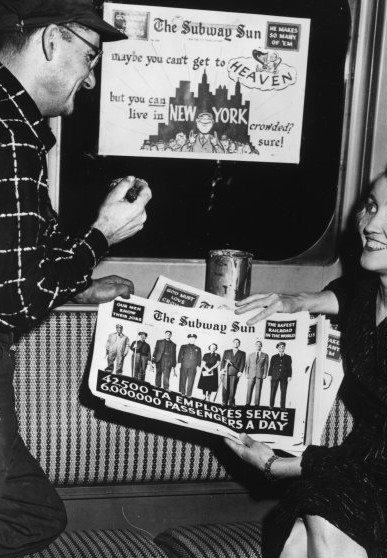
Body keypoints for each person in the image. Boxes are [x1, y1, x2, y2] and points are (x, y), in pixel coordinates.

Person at [226, 155, 387, 558]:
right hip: (362, 471)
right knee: (293, 540)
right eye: (373, 206)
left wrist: (277, 466)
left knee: (324, 518)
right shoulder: (368, 289)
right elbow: (346, 295)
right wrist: (296, 300)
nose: (370, 225)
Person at [0, 1, 152, 554]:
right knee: (30, 515)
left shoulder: (16, 125)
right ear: (50, 42)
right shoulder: (9, 133)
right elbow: (16, 296)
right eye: (88, 57)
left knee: (33, 511)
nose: (90, 80)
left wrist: (84, 269)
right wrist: (102, 237)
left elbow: (17, 258)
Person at [220, 338, 246, 407]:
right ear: (232, 343)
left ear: (239, 344)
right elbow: (223, 361)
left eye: (238, 343)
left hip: (235, 372)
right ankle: (224, 402)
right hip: (226, 372)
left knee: (232, 388)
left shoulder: (242, 353)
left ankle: (231, 402)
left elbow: (242, 363)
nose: (236, 344)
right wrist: (222, 369)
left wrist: (240, 371)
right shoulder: (226, 351)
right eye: (235, 342)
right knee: (225, 387)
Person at [268, 342, 292, 409]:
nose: (281, 348)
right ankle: (271, 405)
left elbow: (289, 367)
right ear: (277, 348)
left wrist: (289, 376)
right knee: (273, 391)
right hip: (274, 376)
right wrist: (269, 375)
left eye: (282, 347)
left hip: (284, 376)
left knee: (283, 391)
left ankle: (282, 406)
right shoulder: (274, 357)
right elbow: (271, 366)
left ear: (284, 348)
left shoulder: (288, 357)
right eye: (280, 347)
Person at [245, 340, 269, 406]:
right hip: (251, 374)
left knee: (258, 390)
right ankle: (247, 403)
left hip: (260, 374)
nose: (258, 346)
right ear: (255, 346)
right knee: (249, 389)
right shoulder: (250, 355)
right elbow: (247, 365)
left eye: (260, 344)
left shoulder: (265, 355)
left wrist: (265, 374)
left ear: (261, 346)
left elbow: (266, 365)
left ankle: (256, 403)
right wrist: (246, 373)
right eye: (257, 344)